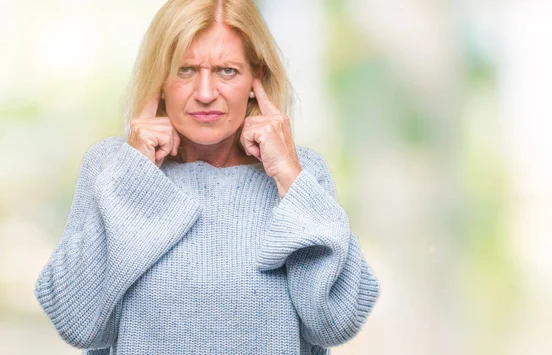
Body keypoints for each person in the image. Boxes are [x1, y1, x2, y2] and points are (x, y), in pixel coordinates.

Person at [34, 0, 380, 354]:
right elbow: (75, 321)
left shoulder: (299, 173)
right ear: (160, 80)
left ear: (254, 79)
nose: (204, 93)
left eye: (226, 71)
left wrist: (289, 178)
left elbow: (338, 321)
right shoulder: (114, 167)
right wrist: (133, 181)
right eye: (185, 70)